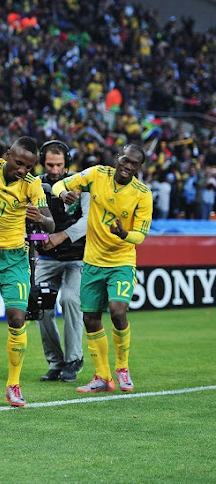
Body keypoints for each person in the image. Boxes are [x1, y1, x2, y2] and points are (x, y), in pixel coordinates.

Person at [52, 144, 153, 393]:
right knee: (90, 318)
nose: (128, 166)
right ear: (118, 157)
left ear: (139, 168)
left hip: (121, 261)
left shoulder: (142, 193)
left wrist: (124, 233)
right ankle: (102, 376)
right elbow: (59, 185)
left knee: (118, 311)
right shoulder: (97, 174)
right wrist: (63, 193)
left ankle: (122, 367)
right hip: (93, 261)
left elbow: (140, 236)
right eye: (126, 160)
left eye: (134, 164)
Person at [0, 136, 54, 409]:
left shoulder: (33, 185)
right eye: (18, 163)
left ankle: (13, 385)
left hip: (15, 259)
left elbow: (50, 224)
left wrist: (39, 218)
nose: (22, 170)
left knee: (17, 317)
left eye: (28, 167)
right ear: (7, 155)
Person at [34, 141, 89, 382]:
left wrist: (60, 236)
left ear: (66, 162)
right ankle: (56, 362)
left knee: (69, 299)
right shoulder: (35, 185)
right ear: (42, 162)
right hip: (46, 258)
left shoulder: (82, 184)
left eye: (59, 165)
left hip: (77, 258)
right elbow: (30, 226)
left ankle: (73, 359)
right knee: (40, 308)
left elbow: (88, 221)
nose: (55, 170)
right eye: (49, 165)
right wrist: (41, 238)